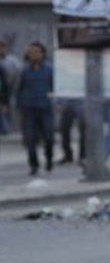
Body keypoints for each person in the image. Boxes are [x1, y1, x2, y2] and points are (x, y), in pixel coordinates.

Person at [17, 42, 54, 175]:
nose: (34, 54)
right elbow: (20, 89)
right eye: (31, 52)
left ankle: (49, 158)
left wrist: (59, 103)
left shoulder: (50, 70)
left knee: (49, 137)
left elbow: (55, 87)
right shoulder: (25, 70)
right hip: (29, 109)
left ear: (43, 54)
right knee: (30, 139)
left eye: (37, 52)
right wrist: (19, 105)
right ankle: (34, 165)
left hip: (46, 108)